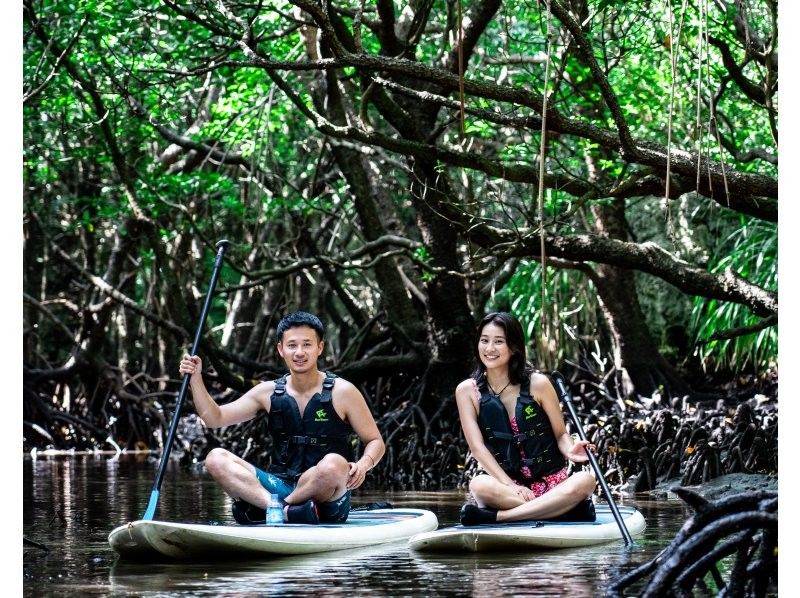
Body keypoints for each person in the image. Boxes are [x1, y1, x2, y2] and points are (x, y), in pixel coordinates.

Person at [178, 311, 385, 525]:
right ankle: (283, 511)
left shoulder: (343, 392)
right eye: (292, 345)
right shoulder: (267, 392)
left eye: (307, 344)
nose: (299, 352)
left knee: (333, 464)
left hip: (326, 494)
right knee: (215, 458)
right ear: (281, 349)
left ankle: (272, 509)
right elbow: (214, 418)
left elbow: (375, 441)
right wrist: (196, 379)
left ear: (320, 348)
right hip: (279, 484)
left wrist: (363, 465)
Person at [455, 311, 597, 526]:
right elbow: (477, 448)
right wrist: (510, 485)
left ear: (513, 347)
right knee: (479, 484)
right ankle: (561, 511)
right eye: (484, 341)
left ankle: (500, 517)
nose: (489, 348)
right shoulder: (467, 391)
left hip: (552, 484)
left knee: (586, 480)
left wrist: (570, 450)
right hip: (509, 488)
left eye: (498, 342)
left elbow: (560, 434)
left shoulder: (538, 384)